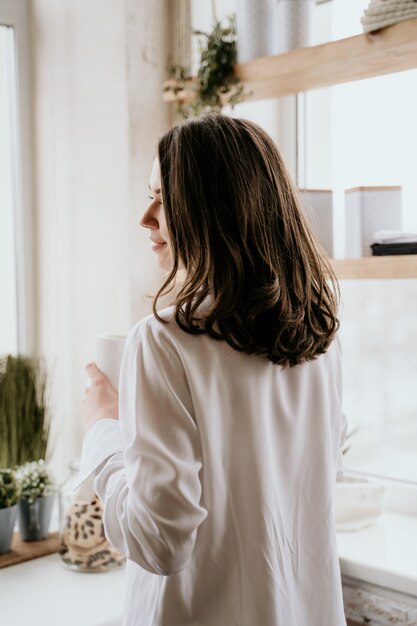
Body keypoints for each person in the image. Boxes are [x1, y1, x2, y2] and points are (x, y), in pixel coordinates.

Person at [79, 113, 348, 626]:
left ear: (216, 211)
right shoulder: (319, 333)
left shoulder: (162, 341)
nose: (146, 217)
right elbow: (320, 475)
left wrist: (104, 431)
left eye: (165, 197)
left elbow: (160, 542)